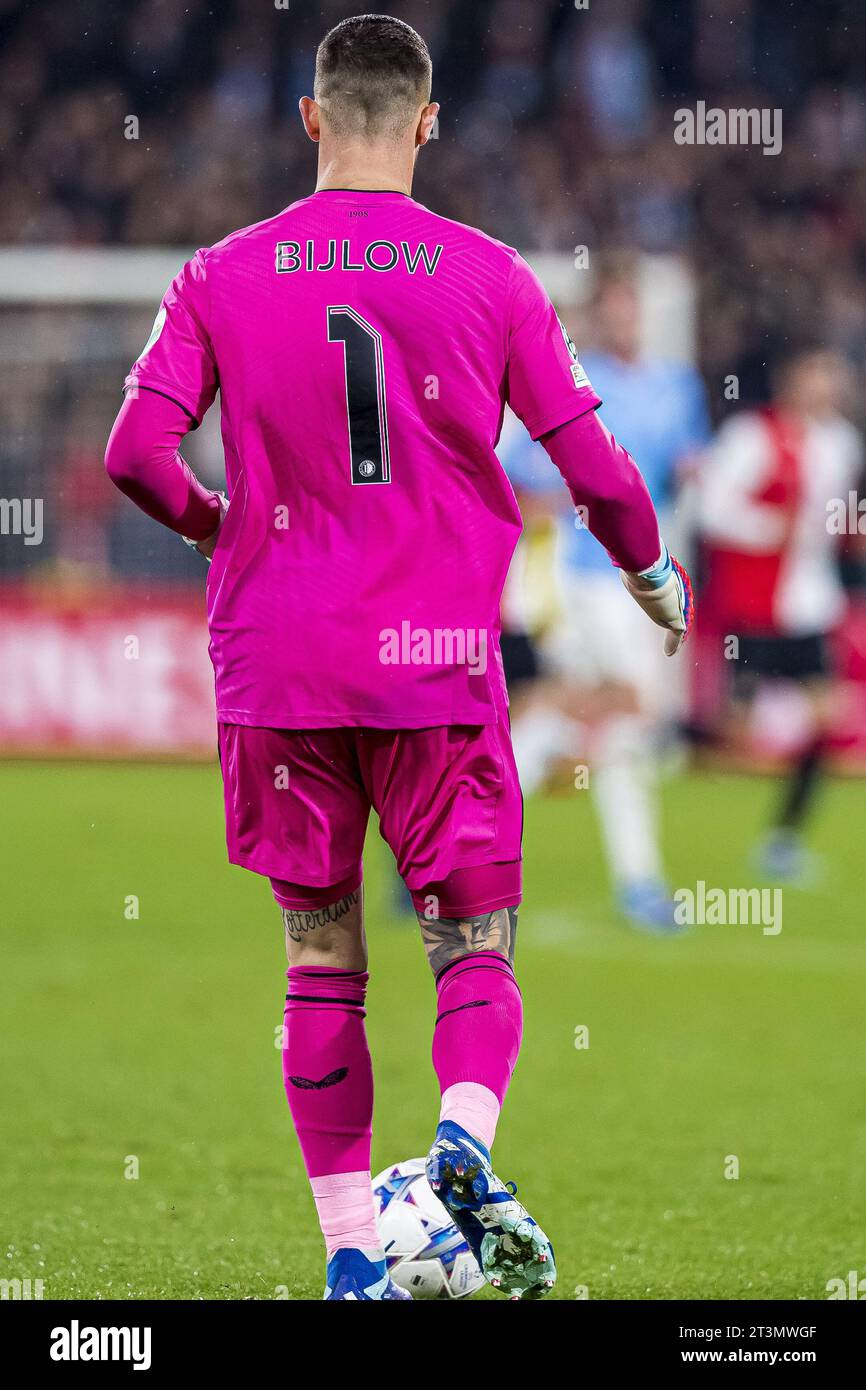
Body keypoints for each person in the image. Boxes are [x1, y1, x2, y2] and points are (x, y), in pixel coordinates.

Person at [105, 14, 691, 1301]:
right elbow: (592, 469)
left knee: (320, 957)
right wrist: (649, 572)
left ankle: (351, 1259)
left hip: (276, 661)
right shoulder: (490, 275)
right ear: (428, 124)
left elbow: (133, 457)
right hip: (432, 661)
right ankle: (462, 1146)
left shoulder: (218, 272)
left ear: (309, 119)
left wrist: (219, 533)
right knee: (472, 942)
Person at [501, 258, 709, 930]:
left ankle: (453, 852)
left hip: (637, 580)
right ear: (596, 315)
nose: (626, 319)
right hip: (576, 576)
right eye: (614, 308)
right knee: (624, 711)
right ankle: (638, 881)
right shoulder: (567, 379)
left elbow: (681, 472)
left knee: (587, 725)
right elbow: (521, 479)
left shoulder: (676, 387)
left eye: (632, 308)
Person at [698, 348, 862, 880]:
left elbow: (835, 518)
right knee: (733, 732)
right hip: (752, 605)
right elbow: (711, 507)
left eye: (834, 378)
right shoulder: (750, 435)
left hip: (809, 603)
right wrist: (770, 529)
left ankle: (782, 842)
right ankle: (703, 836)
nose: (828, 387)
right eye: (818, 375)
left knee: (826, 718)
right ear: (793, 381)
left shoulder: (841, 442)